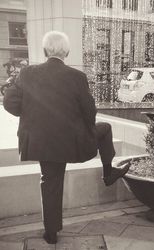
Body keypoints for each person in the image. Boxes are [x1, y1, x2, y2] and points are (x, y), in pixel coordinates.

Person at [3, 30, 129, 244]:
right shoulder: (77, 77)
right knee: (105, 128)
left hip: (41, 141)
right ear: (67, 52)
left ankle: (51, 232)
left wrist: (31, 117)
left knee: (50, 181)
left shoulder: (27, 73)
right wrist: (83, 130)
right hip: (69, 140)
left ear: (44, 51)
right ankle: (108, 172)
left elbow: (9, 103)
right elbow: (90, 113)